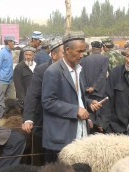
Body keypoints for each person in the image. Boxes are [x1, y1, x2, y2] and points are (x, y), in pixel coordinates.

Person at [41, 31, 102, 163]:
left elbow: (78, 98)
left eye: (84, 51)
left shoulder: (79, 70)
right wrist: (75, 110)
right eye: (79, 51)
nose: (82, 55)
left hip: (80, 131)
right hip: (62, 136)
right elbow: (48, 102)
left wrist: (89, 103)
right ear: (67, 50)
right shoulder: (53, 71)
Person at [22, 38, 64, 166]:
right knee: (41, 159)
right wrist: (28, 119)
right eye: (64, 52)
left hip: (64, 123)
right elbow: (32, 95)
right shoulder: (42, 70)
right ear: (54, 54)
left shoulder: (73, 69)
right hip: (43, 120)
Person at [81, 41, 109, 133]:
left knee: (90, 111)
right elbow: (102, 74)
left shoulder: (84, 60)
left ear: (92, 49)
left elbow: (82, 75)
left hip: (88, 92)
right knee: (99, 110)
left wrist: (86, 88)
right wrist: (95, 86)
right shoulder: (104, 59)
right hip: (100, 90)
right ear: (101, 49)